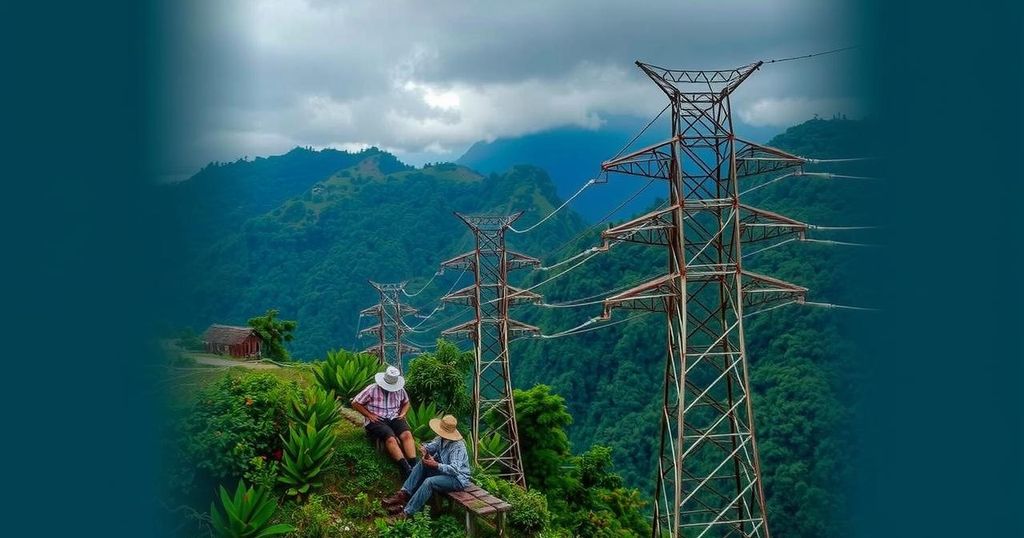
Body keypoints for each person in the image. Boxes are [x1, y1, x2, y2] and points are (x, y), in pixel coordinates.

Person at [381, 414, 470, 518]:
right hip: (445, 473)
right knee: (422, 464)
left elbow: (455, 470)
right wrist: (424, 449)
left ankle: (407, 513)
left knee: (429, 482)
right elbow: (431, 446)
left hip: (457, 479)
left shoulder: (457, 447)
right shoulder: (440, 439)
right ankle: (403, 494)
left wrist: (436, 465)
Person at [350, 365, 417, 478]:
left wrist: (403, 413)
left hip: (394, 417)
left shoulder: (400, 390)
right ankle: (405, 468)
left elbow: (406, 402)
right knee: (390, 438)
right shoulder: (372, 389)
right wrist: (369, 415)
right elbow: (355, 402)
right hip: (377, 419)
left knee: (407, 434)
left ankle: (414, 464)